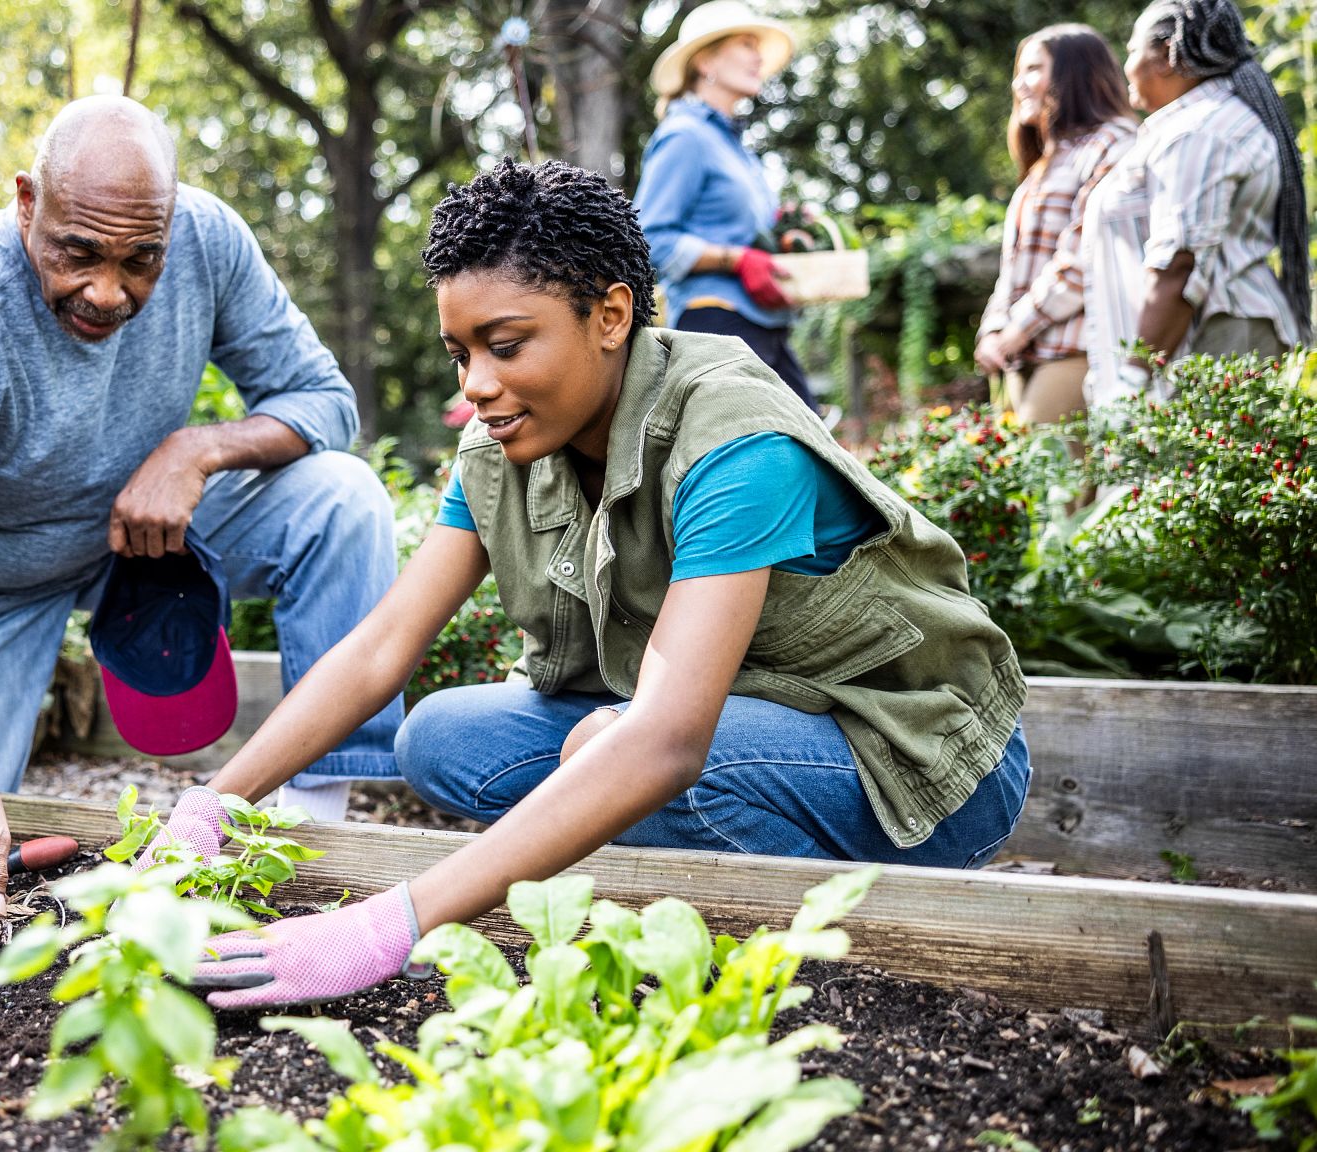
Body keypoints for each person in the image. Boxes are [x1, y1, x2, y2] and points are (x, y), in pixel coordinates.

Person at [152, 159, 1030, 1011]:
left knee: (625, 755)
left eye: (505, 346)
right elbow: (384, 646)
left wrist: (392, 923)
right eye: (459, 353)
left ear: (610, 315)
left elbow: (665, 743)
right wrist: (211, 804)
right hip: (738, 721)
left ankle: (830, 942)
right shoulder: (502, 448)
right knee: (441, 737)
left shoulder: (733, 437)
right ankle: (667, 877)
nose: (476, 387)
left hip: (913, 762)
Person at [0, 95, 402, 936]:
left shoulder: (208, 240)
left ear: (172, 225)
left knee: (342, 497)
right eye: (79, 253)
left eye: (142, 260)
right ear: (27, 203)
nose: (108, 291)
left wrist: (196, 450)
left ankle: (314, 820)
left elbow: (321, 399)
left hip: (139, 534)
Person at [1081, 0, 1312, 408]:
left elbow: (1179, 263)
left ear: (1167, 55)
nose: (1126, 63)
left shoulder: (1199, 132)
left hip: (1219, 340)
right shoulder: (1214, 118)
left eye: (1133, 50)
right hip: (1222, 336)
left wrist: (1134, 378)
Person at [632, 0, 815, 410]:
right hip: (714, 325)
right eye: (746, 44)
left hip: (763, 326)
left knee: (814, 449)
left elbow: (746, 234)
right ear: (705, 61)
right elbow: (647, 241)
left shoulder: (735, 148)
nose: (758, 56)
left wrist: (785, 236)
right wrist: (736, 260)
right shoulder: (684, 136)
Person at [974, 26, 1138, 426]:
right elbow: (1014, 269)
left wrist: (1016, 330)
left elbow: (1082, 258)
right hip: (1023, 352)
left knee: (1053, 486)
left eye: (1033, 70)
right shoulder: (1045, 163)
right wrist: (993, 330)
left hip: (1076, 349)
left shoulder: (1113, 145)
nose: (1019, 84)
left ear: (1075, 74)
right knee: (1024, 482)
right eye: (1019, 71)